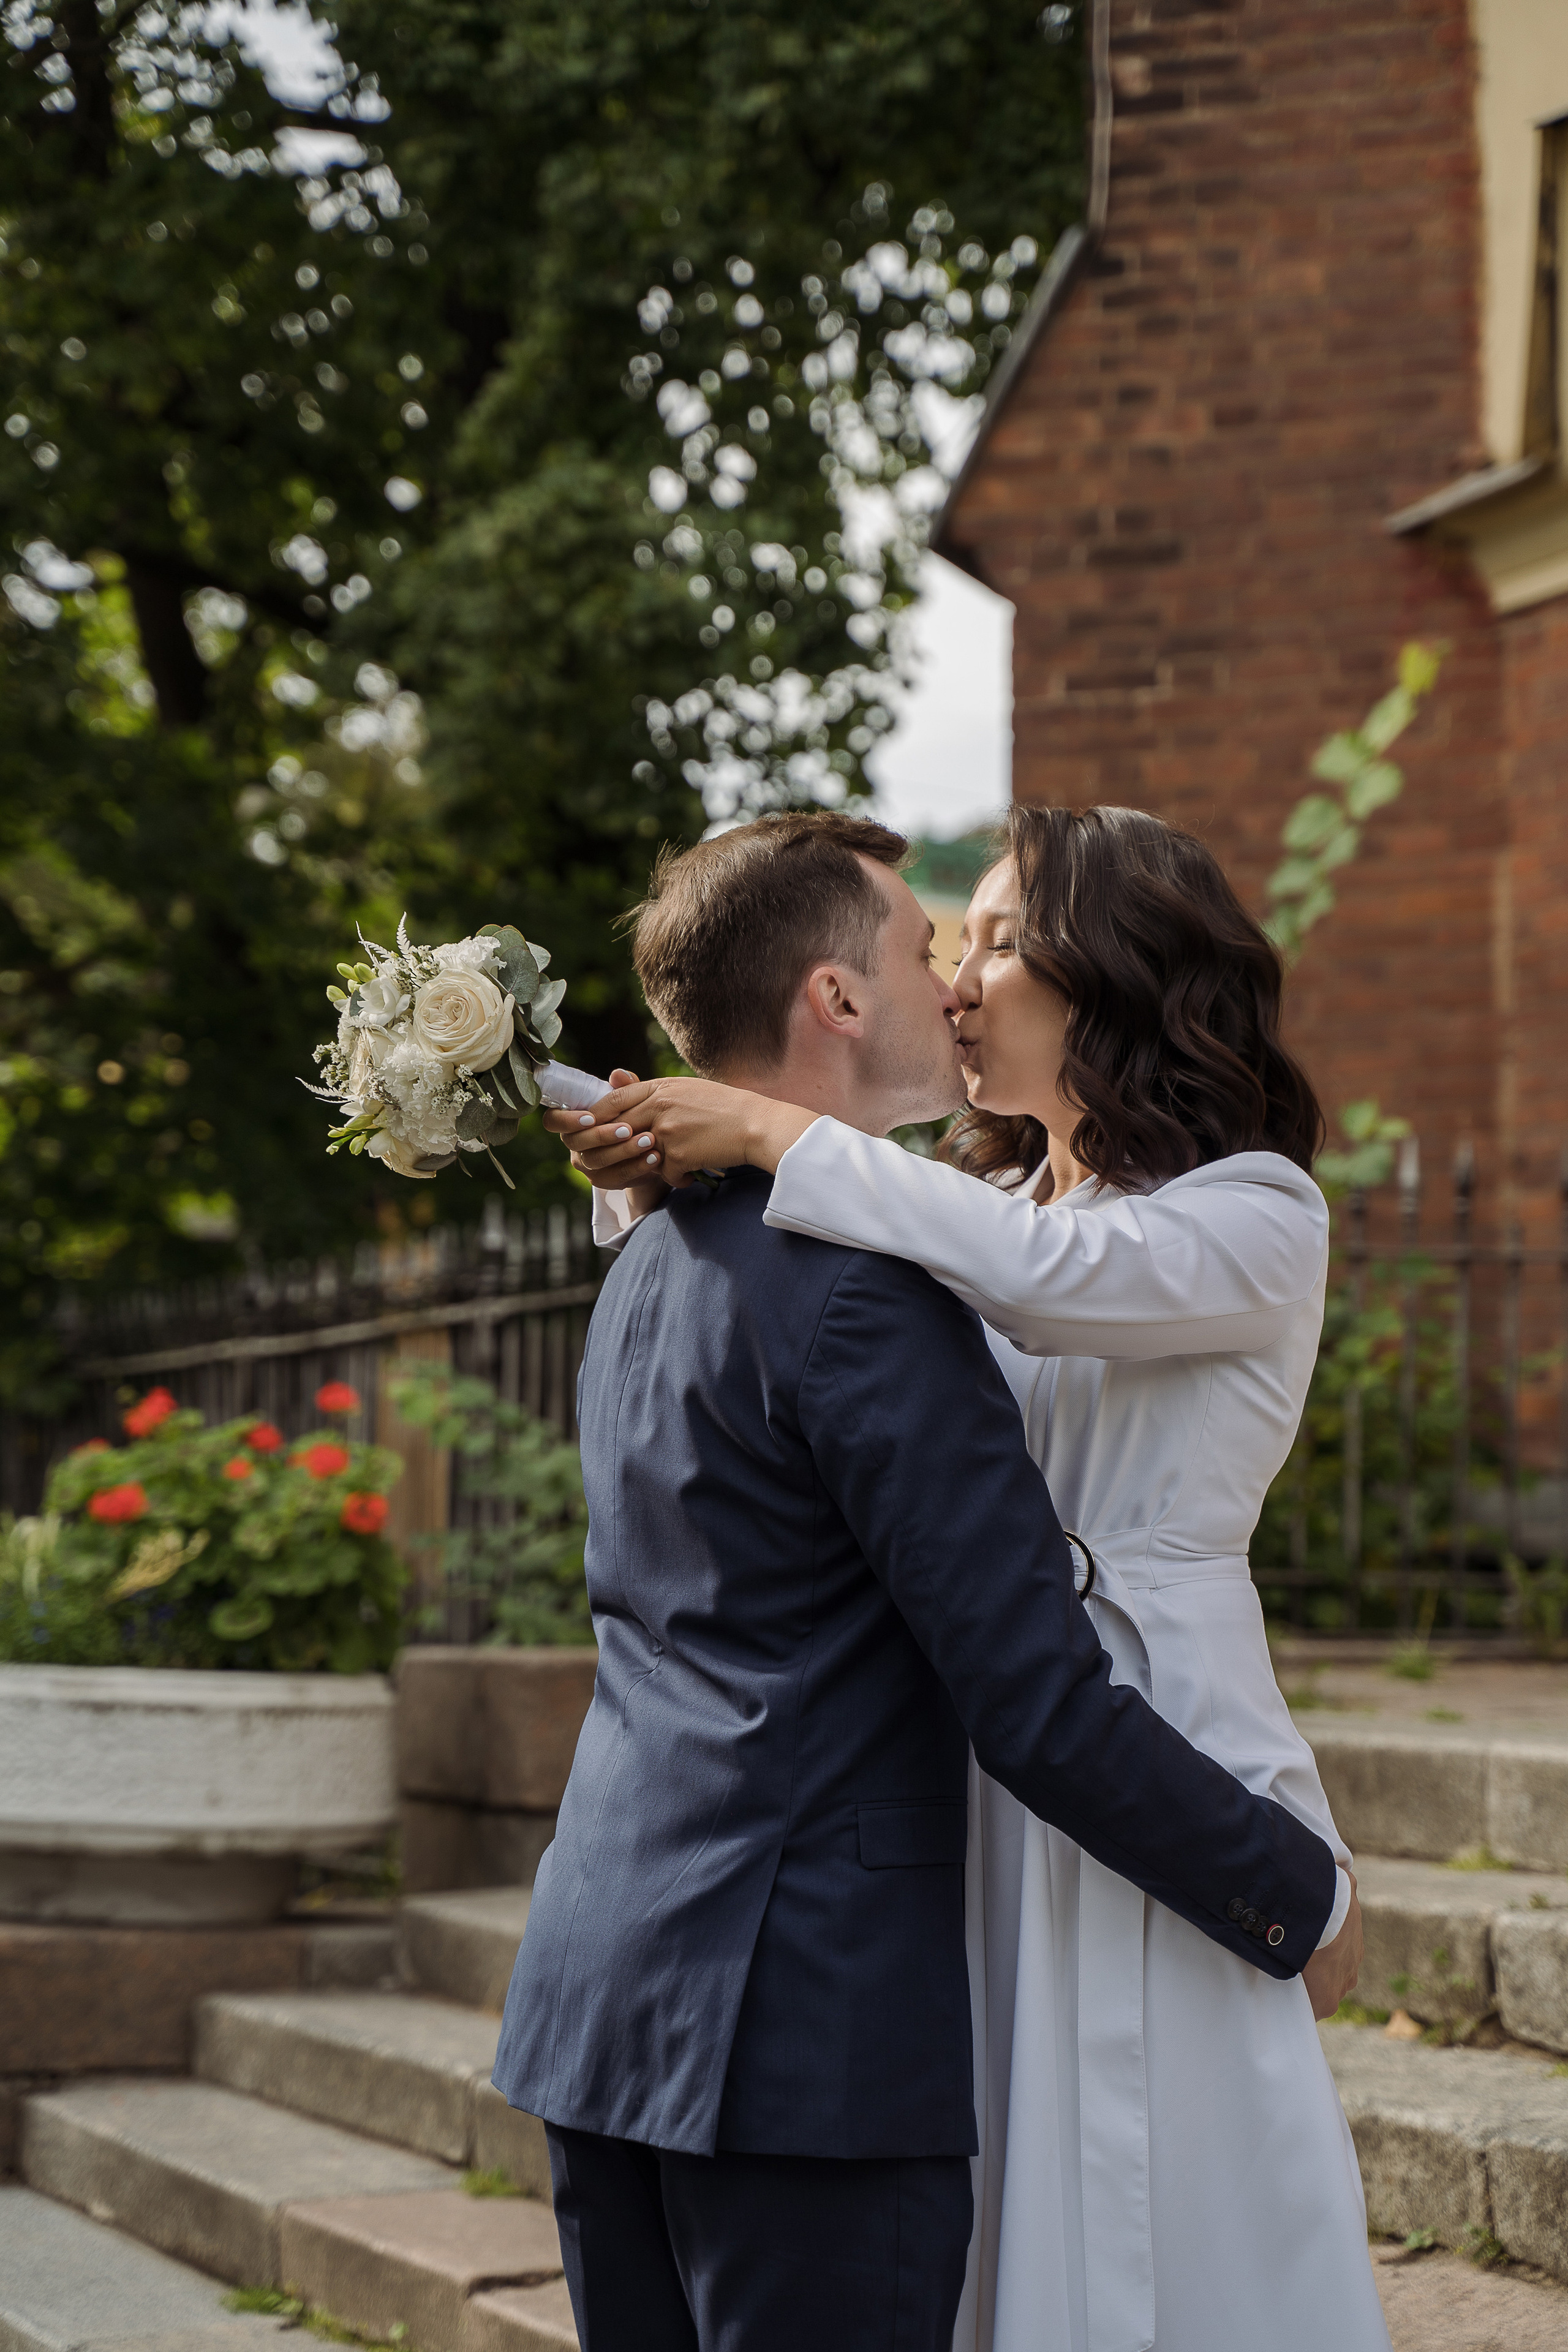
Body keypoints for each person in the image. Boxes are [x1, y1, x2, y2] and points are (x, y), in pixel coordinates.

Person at [496, 809, 1362, 2352]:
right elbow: (801, 1315)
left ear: (1122, 974)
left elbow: (1056, 1291)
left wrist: (766, 1132)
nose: (957, 979)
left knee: (1170, 2183)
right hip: (982, 1771)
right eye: (945, 942)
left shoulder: (1250, 1210)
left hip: (1144, 1748)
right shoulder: (973, 1220)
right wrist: (644, 1182)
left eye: (1002, 938)